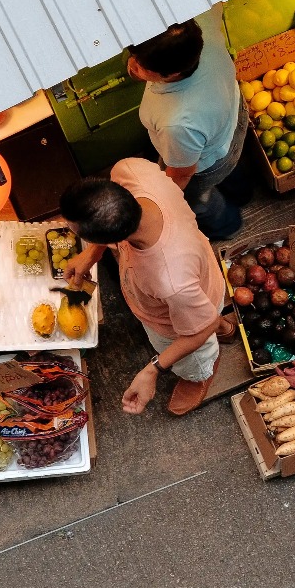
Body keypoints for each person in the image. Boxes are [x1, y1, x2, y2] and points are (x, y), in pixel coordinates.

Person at [59, 158, 233, 416]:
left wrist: (152, 370)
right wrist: (91, 255)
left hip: (180, 316)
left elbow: (202, 325)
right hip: (197, 280)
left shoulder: (169, 280)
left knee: (197, 349)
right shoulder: (130, 170)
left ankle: (199, 375)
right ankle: (224, 327)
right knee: (202, 312)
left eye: (77, 232)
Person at [127, 6, 249, 240]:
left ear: (171, 74)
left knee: (199, 199)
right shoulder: (197, 18)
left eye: (141, 66)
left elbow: (182, 174)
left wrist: (166, 204)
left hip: (203, 162)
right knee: (233, 162)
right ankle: (243, 193)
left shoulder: (178, 123)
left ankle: (228, 225)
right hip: (233, 115)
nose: (132, 65)